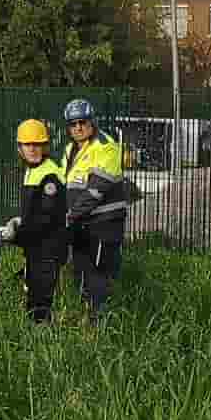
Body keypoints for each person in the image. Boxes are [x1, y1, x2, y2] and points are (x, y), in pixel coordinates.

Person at [59, 97, 128, 322]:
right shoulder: (70, 150)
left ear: (92, 122)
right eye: (73, 123)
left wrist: (68, 215)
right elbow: (64, 185)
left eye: (83, 122)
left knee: (98, 276)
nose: (78, 127)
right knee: (81, 272)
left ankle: (101, 327)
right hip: (81, 222)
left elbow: (96, 191)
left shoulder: (106, 146)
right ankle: (87, 321)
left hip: (104, 223)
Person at [0, 117, 68, 323]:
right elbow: (34, 213)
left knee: (40, 303)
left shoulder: (50, 175)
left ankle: (45, 345)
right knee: (33, 300)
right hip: (36, 248)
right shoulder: (33, 171)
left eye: (37, 144)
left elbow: (46, 218)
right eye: (28, 144)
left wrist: (18, 234)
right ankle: (36, 340)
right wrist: (20, 222)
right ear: (20, 148)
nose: (32, 149)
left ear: (45, 146)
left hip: (48, 249)